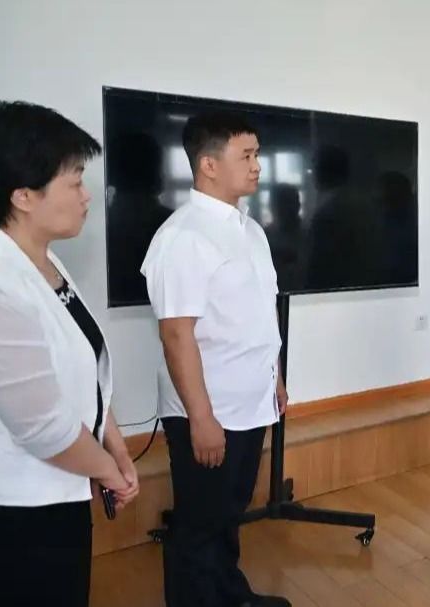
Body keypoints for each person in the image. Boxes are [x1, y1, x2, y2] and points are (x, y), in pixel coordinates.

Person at [0, 100, 139, 607]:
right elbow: (44, 429)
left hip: (57, 493)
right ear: (24, 196)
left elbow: (83, 368)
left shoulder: (41, 261)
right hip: (10, 519)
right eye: (74, 181)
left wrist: (116, 446)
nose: (86, 195)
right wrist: (107, 470)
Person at [141, 112, 290, 607]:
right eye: (246, 155)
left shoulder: (250, 230)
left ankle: (229, 594)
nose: (257, 165)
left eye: (257, 154)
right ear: (208, 164)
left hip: (251, 400)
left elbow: (258, 314)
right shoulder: (184, 236)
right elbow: (176, 334)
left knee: (229, 511)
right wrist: (201, 418)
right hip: (210, 409)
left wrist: (275, 378)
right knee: (200, 523)